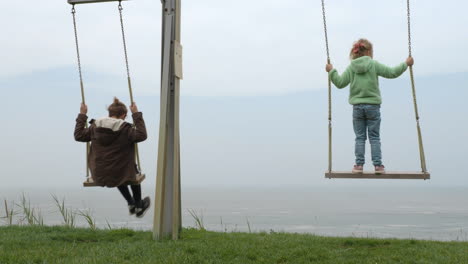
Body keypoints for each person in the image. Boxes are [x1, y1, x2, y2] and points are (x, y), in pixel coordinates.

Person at [325, 38, 414, 174]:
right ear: (369, 52)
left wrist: (331, 71)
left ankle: (358, 166)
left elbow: (340, 83)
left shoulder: (351, 68)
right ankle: (378, 166)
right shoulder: (373, 64)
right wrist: (406, 64)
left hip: (357, 108)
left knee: (360, 137)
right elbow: (392, 73)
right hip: (373, 107)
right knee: (374, 137)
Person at [74, 97, 150, 217]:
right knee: (130, 171)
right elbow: (142, 135)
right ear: (124, 115)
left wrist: (82, 114)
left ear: (110, 114)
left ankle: (131, 203)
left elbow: (78, 136)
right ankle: (139, 205)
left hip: (99, 174)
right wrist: (136, 114)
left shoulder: (94, 127)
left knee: (115, 169)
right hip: (122, 172)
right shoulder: (125, 128)